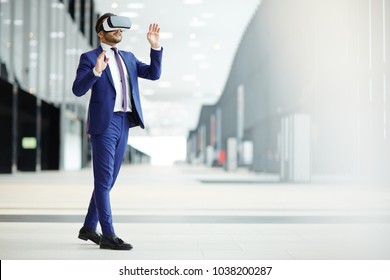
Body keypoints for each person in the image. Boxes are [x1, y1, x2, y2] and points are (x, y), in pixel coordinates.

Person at [72, 13, 163, 250]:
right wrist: (96, 72)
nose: (119, 32)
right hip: (105, 123)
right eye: (113, 29)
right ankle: (108, 235)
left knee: (109, 180)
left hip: (124, 122)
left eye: (121, 30)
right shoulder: (90, 57)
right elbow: (78, 90)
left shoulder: (129, 58)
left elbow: (154, 74)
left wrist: (155, 47)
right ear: (101, 33)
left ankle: (89, 228)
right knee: (103, 180)